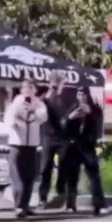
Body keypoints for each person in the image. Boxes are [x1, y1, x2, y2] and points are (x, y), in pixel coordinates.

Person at [4, 79, 48, 218]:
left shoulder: (39, 103)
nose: (28, 89)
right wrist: (13, 125)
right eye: (25, 87)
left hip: (32, 145)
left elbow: (43, 118)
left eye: (31, 87)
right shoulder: (16, 102)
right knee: (18, 176)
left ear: (35, 90)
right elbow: (9, 119)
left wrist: (34, 110)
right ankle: (18, 205)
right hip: (17, 144)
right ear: (21, 89)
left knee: (30, 176)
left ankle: (25, 205)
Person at [64, 86, 108, 216]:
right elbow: (64, 126)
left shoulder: (95, 109)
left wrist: (90, 114)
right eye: (79, 95)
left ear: (88, 95)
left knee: (94, 177)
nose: (81, 97)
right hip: (75, 146)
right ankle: (70, 204)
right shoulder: (73, 107)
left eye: (83, 95)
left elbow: (98, 126)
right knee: (72, 177)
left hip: (88, 146)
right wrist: (70, 118)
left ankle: (99, 205)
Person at [39, 72, 68, 207]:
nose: (57, 86)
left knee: (64, 166)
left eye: (59, 83)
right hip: (48, 137)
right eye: (54, 82)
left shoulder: (65, 100)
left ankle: (60, 191)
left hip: (62, 138)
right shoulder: (44, 98)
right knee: (46, 167)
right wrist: (50, 92)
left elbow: (67, 116)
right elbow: (40, 108)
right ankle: (43, 196)